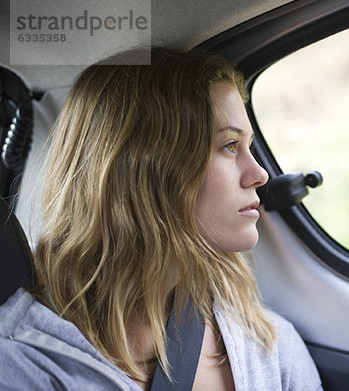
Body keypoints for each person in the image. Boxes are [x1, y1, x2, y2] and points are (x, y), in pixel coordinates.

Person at [0, 47, 322, 390]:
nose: (259, 174)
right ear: (144, 168)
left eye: (249, 146)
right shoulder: (23, 362)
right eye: (229, 145)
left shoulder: (268, 346)